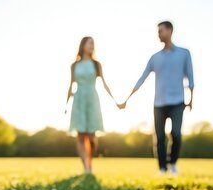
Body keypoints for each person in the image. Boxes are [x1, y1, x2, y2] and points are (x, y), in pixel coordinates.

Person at [119, 21, 194, 175]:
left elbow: (190, 78)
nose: (158, 34)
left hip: (178, 102)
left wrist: (191, 99)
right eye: (158, 31)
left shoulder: (184, 53)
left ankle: (172, 163)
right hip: (159, 103)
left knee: (176, 134)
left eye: (161, 31)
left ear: (170, 31)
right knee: (159, 137)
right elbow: (142, 78)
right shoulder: (155, 58)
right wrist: (127, 98)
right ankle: (161, 167)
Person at [66, 36, 119, 174]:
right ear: (83, 45)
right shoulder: (74, 65)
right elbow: (71, 84)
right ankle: (86, 166)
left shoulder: (96, 64)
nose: (92, 46)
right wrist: (66, 104)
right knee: (80, 135)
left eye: (93, 44)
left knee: (91, 135)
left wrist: (115, 100)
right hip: (79, 100)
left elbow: (104, 83)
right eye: (90, 43)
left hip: (92, 99)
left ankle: (90, 161)